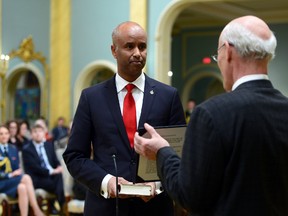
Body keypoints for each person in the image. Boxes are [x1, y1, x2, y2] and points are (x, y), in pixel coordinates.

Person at [134, 15, 288, 216]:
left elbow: (190, 197)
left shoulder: (211, 114)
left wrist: (162, 152)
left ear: (229, 51)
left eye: (218, 55)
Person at [63, 21, 186, 216]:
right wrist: (106, 181)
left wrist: (158, 184)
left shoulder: (168, 96)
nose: (137, 53)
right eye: (130, 46)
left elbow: (180, 155)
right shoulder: (91, 97)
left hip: (154, 208)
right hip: (105, 208)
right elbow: (75, 156)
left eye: (142, 47)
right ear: (114, 50)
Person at [0, 125, 45, 216]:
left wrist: (16, 172)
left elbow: (16, 167)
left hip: (12, 181)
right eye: (1, 134)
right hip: (2, 182)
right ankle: (36, 210)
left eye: (6, 133)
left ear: (9, 135)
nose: (4, 136)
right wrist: (10, 175)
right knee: (27, 178)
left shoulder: (13, 148)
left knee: (22, 188)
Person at [22, 124, 66, 215]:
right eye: (35, 132)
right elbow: (34, 168)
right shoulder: (27, 149)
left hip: (51, 176)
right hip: (37, 178)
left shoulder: (48, 145)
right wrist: (52, 171)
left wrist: (58, 166)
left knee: (59, 176)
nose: (38, 134)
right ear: (31, 134)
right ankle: (63, 206)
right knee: (58, 182)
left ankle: (60, 206)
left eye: (40, 131)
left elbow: (55, 160)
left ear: (44, 133)